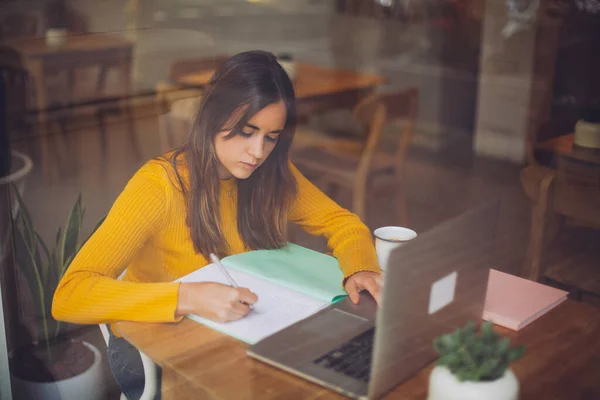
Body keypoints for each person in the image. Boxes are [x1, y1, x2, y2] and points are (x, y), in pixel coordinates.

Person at [52, 50, 382, 400]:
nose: (257, 151)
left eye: (271, 137)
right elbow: (69, 295)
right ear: (213, 117)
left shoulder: (270, 175)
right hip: (149, 348)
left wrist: (359, 268)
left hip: (234, 334)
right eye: (245, 131)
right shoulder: (159, 186)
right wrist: (186, 297)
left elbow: (341, 222)